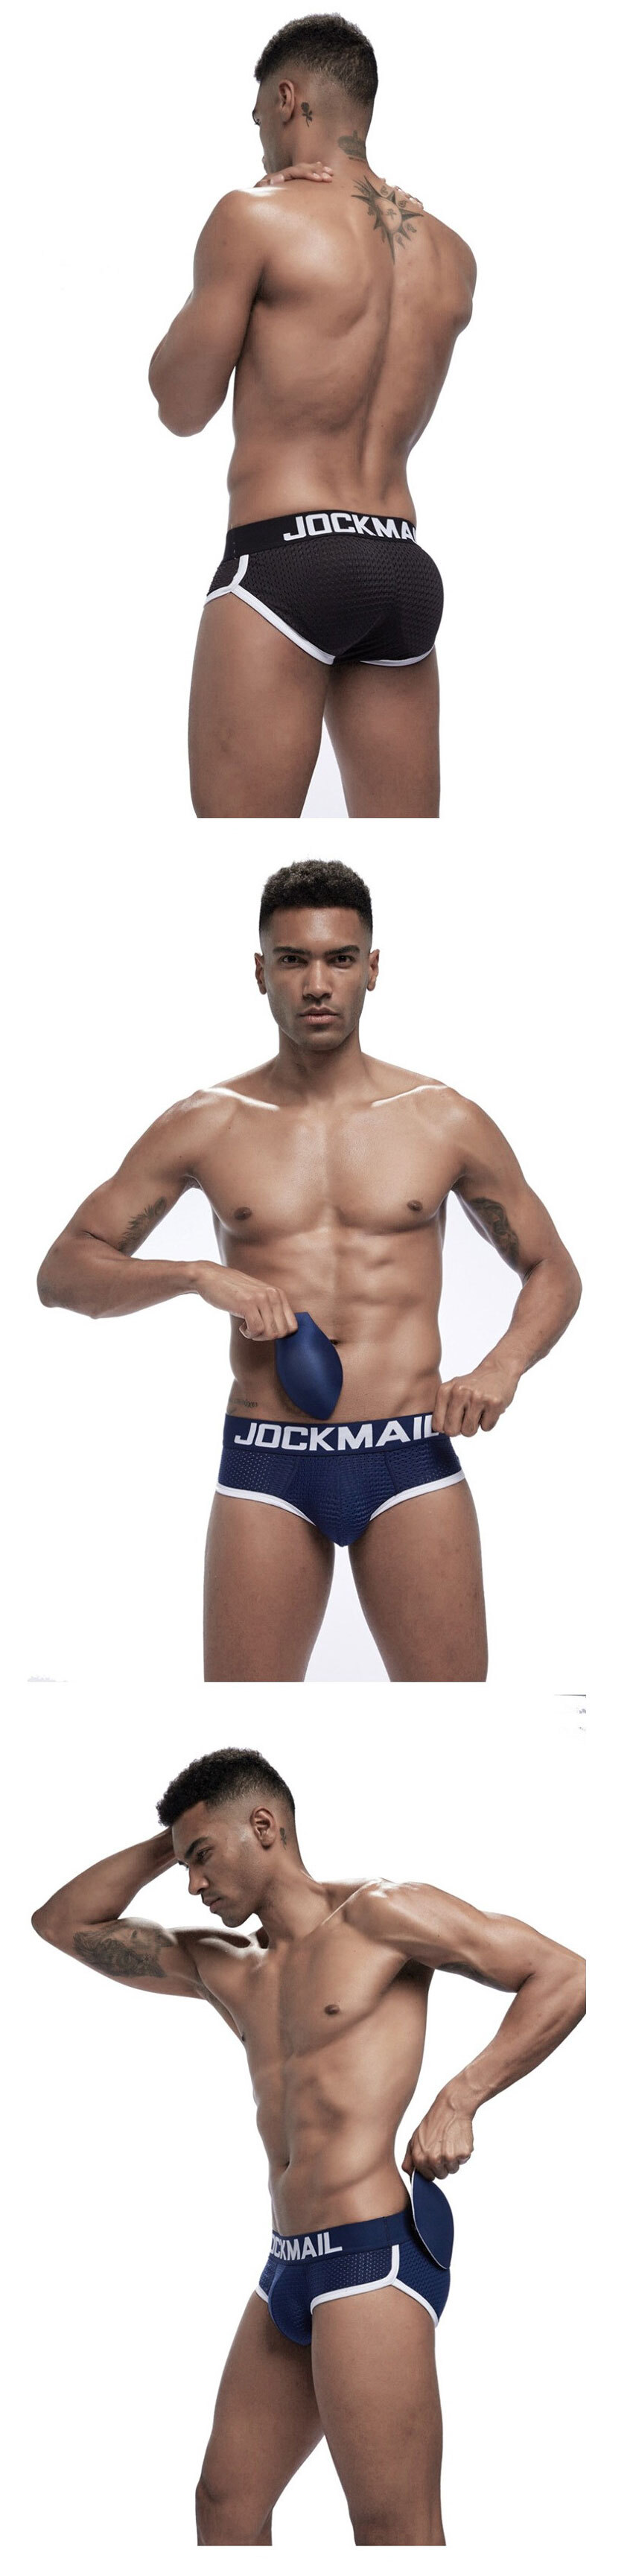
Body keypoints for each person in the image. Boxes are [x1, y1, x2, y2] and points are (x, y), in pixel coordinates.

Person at [36, 860, 581, 1683]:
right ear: (260, 972)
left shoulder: (443, 1119)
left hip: (408, 1452)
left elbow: (553, 1269)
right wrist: (198, 1274)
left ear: (373, 968)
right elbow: (63, 1272)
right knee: (242, 1717)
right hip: (268, 1458)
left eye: (339, 958)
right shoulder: (206, 1123)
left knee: (452, 1719)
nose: (317, 984)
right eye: (292, 960)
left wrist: (503, 1366)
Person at [31, 1745, 586, 2547]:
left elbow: (562, 1974)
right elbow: (62, 1924)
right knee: (225, 2505)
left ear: (265, 1826)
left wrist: (460, 2098)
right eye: (184, 1865)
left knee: (394, 2530)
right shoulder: (226, 1965)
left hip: (371, 2258)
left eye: (203, 1857)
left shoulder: (383, 1914)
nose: (192, 1884)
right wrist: (176, 1835)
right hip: (286, 2264)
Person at [148, 16, 476, 818]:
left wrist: (241, 231)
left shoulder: (253, 218)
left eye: (259, 114)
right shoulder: (450, 253)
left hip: (286, 562)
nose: (260, 137)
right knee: (409, 861)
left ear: (288, 98)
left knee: (230, 861)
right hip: (401, 568)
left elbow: (180, 405)